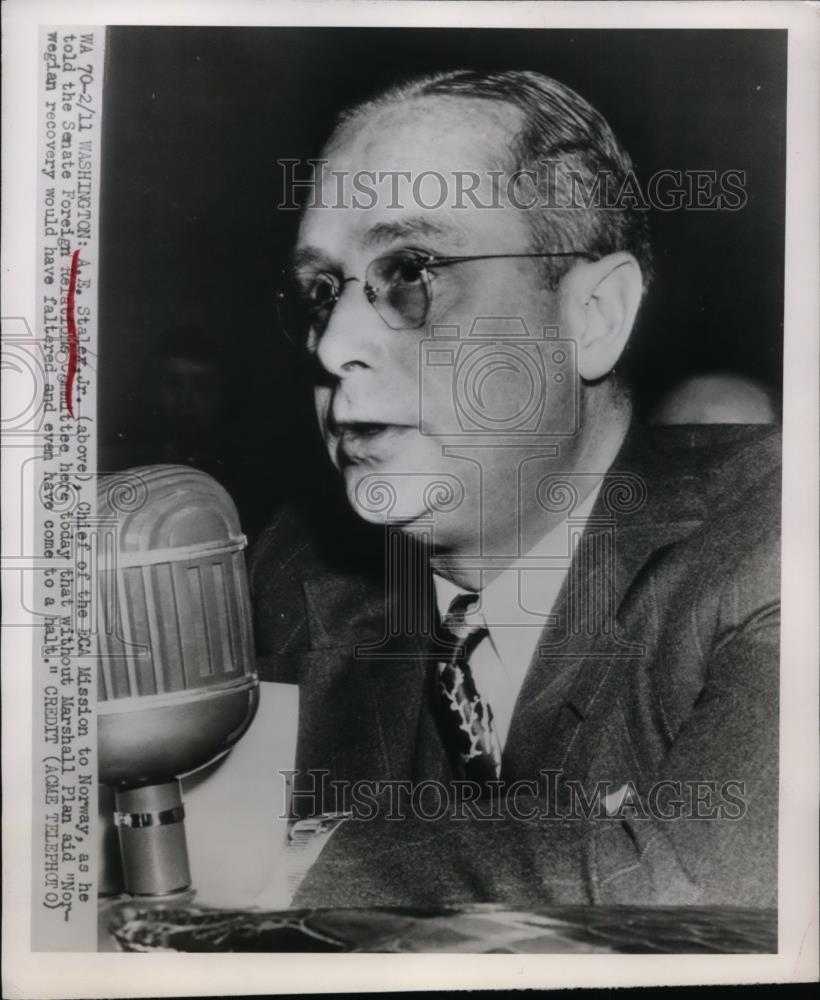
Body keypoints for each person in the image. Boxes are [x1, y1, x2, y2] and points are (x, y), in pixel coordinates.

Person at [250, 70, 779, 909]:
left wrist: (273, 865)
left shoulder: (776, 541)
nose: (334, 342)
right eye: (322, 292)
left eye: (413, 271)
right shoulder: (285, 575)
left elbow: (713, 890)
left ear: (593, 317)